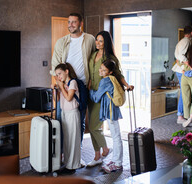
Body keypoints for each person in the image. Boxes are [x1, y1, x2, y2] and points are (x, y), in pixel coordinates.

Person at [50, 13, 95, 165]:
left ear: (80, 23)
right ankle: (62, 153)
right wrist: (58, 83)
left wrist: (91, 82)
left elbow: (94, 61)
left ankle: (77, 154)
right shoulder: (61, 42)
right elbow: (55, 64)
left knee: (80, 122)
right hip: (65, 85)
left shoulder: (89, 39)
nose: (70, 25)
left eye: (74, 22)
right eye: (69, 22)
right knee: (62, 120)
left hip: (81, 86)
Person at [87, 30, 133, 167]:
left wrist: (127, 85)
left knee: (94, 126)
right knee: (92, 126)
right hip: (93, 92)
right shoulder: (93, 55)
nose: (98, 43)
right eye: (97, 40)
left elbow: (118, 74)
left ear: (106, 42)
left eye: (101, 41)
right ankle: (97, 156)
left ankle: (105, 149)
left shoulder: (110, 57)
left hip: (102, 94)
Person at [89, 59, 124, 173]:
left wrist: (89, 90)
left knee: (116, 137)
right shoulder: (112, 78)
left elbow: (96, 97)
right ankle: (115, 161)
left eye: (104, 70)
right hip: (112, 110)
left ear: (110, 72)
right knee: (116, 136)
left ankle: (117, 163)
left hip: (110, 111)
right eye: (101, 68)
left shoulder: (105, 81)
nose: (101, 71)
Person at [53, 63, 82, 171]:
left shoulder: (73, 82)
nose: (59, 77)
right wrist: (55, 89)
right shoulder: (63, 84)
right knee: (67, 139)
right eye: (57, 75)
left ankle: (73, 165)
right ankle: (67, 162)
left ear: (66, 71)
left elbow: (69, 98)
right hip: (65, 113)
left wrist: (61, 86)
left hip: (73, 113)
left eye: (60, 73)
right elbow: (58, 100)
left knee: (73, 138)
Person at [171, 26, 192, 124]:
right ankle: (181, 115)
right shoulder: (187, 41)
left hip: (179, 68)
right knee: (185, 94)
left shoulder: (180, 42)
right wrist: (188, 63)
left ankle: (183, 115)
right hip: (182, 70)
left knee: (184, 93)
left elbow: (177, 56)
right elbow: (180, 56)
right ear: (191, 33)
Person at [181, 41, 192, 127]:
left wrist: (189, 65)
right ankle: (188, 117)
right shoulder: (184, 52)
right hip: (185, 75)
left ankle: (191, 117)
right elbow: (178, 61)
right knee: (186, 98)